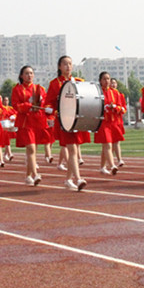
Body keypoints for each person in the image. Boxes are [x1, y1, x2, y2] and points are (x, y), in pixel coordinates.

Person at [43, 55, 89, 191]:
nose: (68, 66)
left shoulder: (79, 81)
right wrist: (49, 108)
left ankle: (68, 179)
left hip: (77, 120)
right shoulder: (54, 83)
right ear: (59, 67)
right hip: (64, 120)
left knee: (74, 149)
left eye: (70, 64)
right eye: (65, 64)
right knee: (72, 149)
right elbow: (49, 102)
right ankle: (78, 178)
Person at [11, 65, 45, 186]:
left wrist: (41, 102)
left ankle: (28, 175)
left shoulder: (39, 88)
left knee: (33, 150)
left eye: (31, 73)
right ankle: (35, 175)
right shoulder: (18, 89)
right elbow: (16, 105)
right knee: (30, 148)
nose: (29, 75)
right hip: (25, 122)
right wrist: (28, 104)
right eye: (26, 73)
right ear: (21, 76)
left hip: (37, 121)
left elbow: (44, 103)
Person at [94, 71, 125, 175]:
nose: (107, 81)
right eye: (104, 79)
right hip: (103, 122)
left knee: (106, 146)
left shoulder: (115, 93)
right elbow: (93, 107)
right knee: (107, 144)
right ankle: (112, 165)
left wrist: (115, 107)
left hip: (113, 122)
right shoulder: (97, 92)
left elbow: (122, 108)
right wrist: (104, 108)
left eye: (108, 79)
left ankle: (102, 167)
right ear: (100, 81)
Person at [110, 78, 127, 167]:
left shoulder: (120, 95)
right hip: (110, 120)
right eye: (111, 83)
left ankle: (117, 159)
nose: (113, 85)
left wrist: (118, 108)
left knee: (116, 141)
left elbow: (123, 108)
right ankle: (116, 159)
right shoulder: (108, 94)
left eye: (114, 83)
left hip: (118, 120)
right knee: (110, 142)